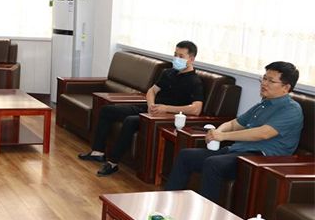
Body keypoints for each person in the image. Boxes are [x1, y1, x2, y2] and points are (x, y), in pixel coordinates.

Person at [165, 61, 303, 202]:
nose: (264, 83)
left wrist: (223, 136)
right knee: (186, 155)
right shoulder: (263, 105)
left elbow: (263, 133)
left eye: (271, 81)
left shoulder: (291, 110)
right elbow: (234, 124)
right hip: (238, 151)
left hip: (260, 158)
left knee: (213, 164)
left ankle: (207, 212)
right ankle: (169, 203)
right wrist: (216, 132)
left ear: (286, 87)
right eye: (264, 78)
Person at [78, 41, 204, 176]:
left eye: (181, 56)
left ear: (191, 59)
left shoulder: (194, 81)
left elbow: (196, 109)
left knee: (130, 120)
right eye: (175, 55)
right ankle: (98, 152)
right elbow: (152, 91)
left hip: (166, 116)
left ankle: (113, 162)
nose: (176, 59)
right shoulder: (168, 73)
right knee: (107, 110)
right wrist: (151, 105)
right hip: (151, 109)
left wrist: (166, 108)